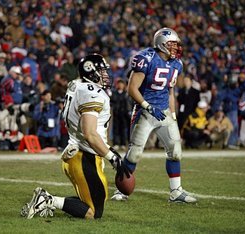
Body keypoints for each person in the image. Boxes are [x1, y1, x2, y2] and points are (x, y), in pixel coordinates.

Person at [20, 54, 129, 219]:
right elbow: (90, 133)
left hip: (77, 152)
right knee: (93, 213)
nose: (106, 75)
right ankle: (46, 200)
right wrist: (112, 157)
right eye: (102, 71)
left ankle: (48, 200)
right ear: (90, 72)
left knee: (96, 199)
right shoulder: (92, 92)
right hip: (84, 156)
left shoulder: (77, 85)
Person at [112, 28, 197, 203]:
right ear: (161, 44)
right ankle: (122, 191)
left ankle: (176, 191)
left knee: (175, 151)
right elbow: (132, 89)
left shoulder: (177, 64)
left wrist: (172, 114)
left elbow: (170, 91)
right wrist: (147, 106)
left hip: (164, 111)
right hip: (145, 111)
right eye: (172, 44)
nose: (175, 48)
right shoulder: (146, 58)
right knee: (134, 153)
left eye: (176, 44)